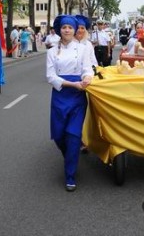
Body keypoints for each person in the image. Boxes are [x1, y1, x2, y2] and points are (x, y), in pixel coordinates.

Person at [46, 15, 94, 192]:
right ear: (59, 29)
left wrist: (87, 78)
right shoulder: (52, 52)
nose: (67, 30)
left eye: (70, 27)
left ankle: (70, 175)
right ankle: (70, 158)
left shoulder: (82, 49)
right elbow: (50, 76)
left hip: (77, 96)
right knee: (59, 136)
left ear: (75, 30)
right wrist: (71, 84)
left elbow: (87, 68)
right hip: (60, 94)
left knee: (73, 135)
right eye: (64, 27)